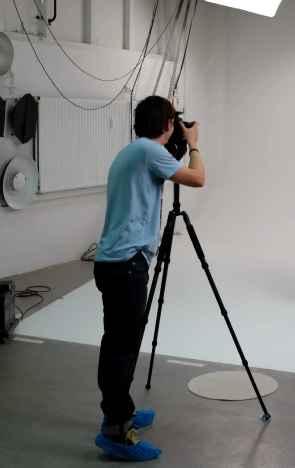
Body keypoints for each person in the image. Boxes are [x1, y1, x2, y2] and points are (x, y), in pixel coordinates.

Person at [92, 96, 204, 462]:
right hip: (126, 265)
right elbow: (198, 178)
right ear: (169, 122)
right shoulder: (149, 153)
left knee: (118, 341)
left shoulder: (132, 151)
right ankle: (116, 431)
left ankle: (120, 410)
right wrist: (194, 145)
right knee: (122, 347)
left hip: (114, 262)